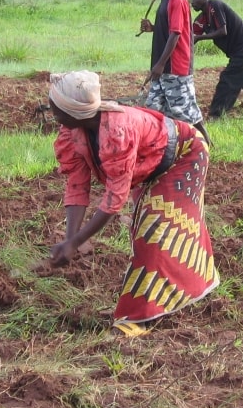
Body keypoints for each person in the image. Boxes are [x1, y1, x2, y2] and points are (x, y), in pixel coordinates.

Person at [47, 70, 219, 336]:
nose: (51, 111)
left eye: (55, 107)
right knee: (150, 231)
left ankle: (137, 319)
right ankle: (187, 288)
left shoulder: (117, 131)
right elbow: (77, 186)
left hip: (184, 156)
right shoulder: (72, 132)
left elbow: (114, 200)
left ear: (75, 111)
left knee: (154, 233)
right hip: (148, 165)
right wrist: (71, 240)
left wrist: (74, 242)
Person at [138, 0, 210, 144]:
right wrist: (153, 28)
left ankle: (207, 144)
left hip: (175, 66)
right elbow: (169, 29)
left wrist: (160, 64)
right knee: (154, 110)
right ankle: (164, 149)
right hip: (163, 68)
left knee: (185, 112)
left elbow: (176, 34)